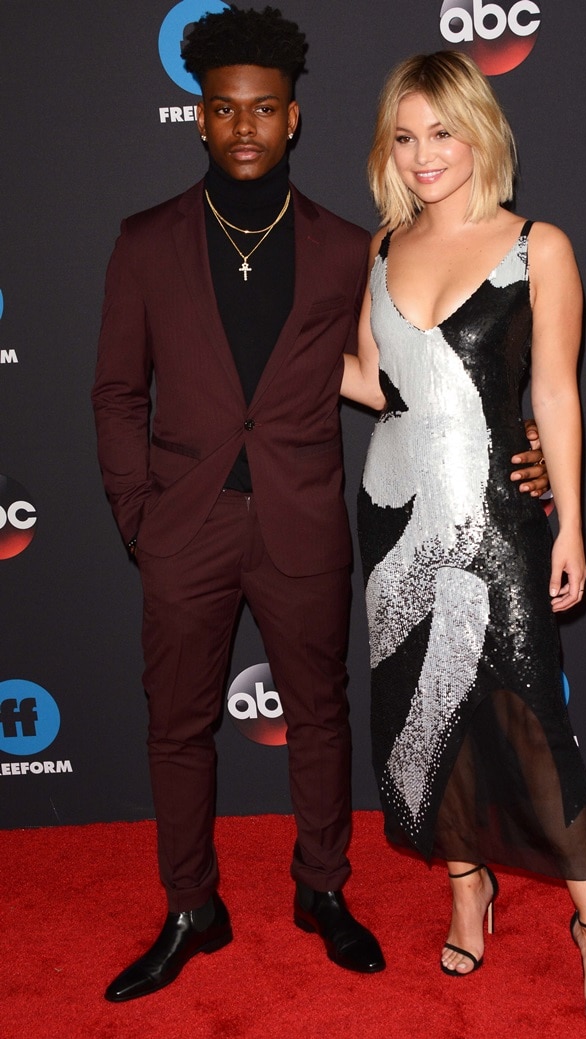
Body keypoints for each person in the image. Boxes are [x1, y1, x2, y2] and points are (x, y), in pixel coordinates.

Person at [92, 7, 549, 1003]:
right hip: (183, 528)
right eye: (224, 109)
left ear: (292, 119)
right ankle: (188, 908)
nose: (245, 126)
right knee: (174, 725)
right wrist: (138, 514)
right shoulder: (145, 241)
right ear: (201, 119)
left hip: (302, 522)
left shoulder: (355, 248)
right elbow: (118, 391)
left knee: (320, 715)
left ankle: (322, 889)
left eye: (264, 109)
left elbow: (421, 368)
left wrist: (526, 451)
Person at [341, 51, 586, 1031]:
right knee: (415, 715)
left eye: (442, 132)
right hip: (392, 520)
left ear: (479, 133)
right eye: (406, 134)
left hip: (498, 511)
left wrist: (572, 521)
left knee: (529, 723)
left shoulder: (535, 244)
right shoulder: (381, 247)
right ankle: (468, 886)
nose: (424, 155)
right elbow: (373, 381)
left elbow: (554, 388)